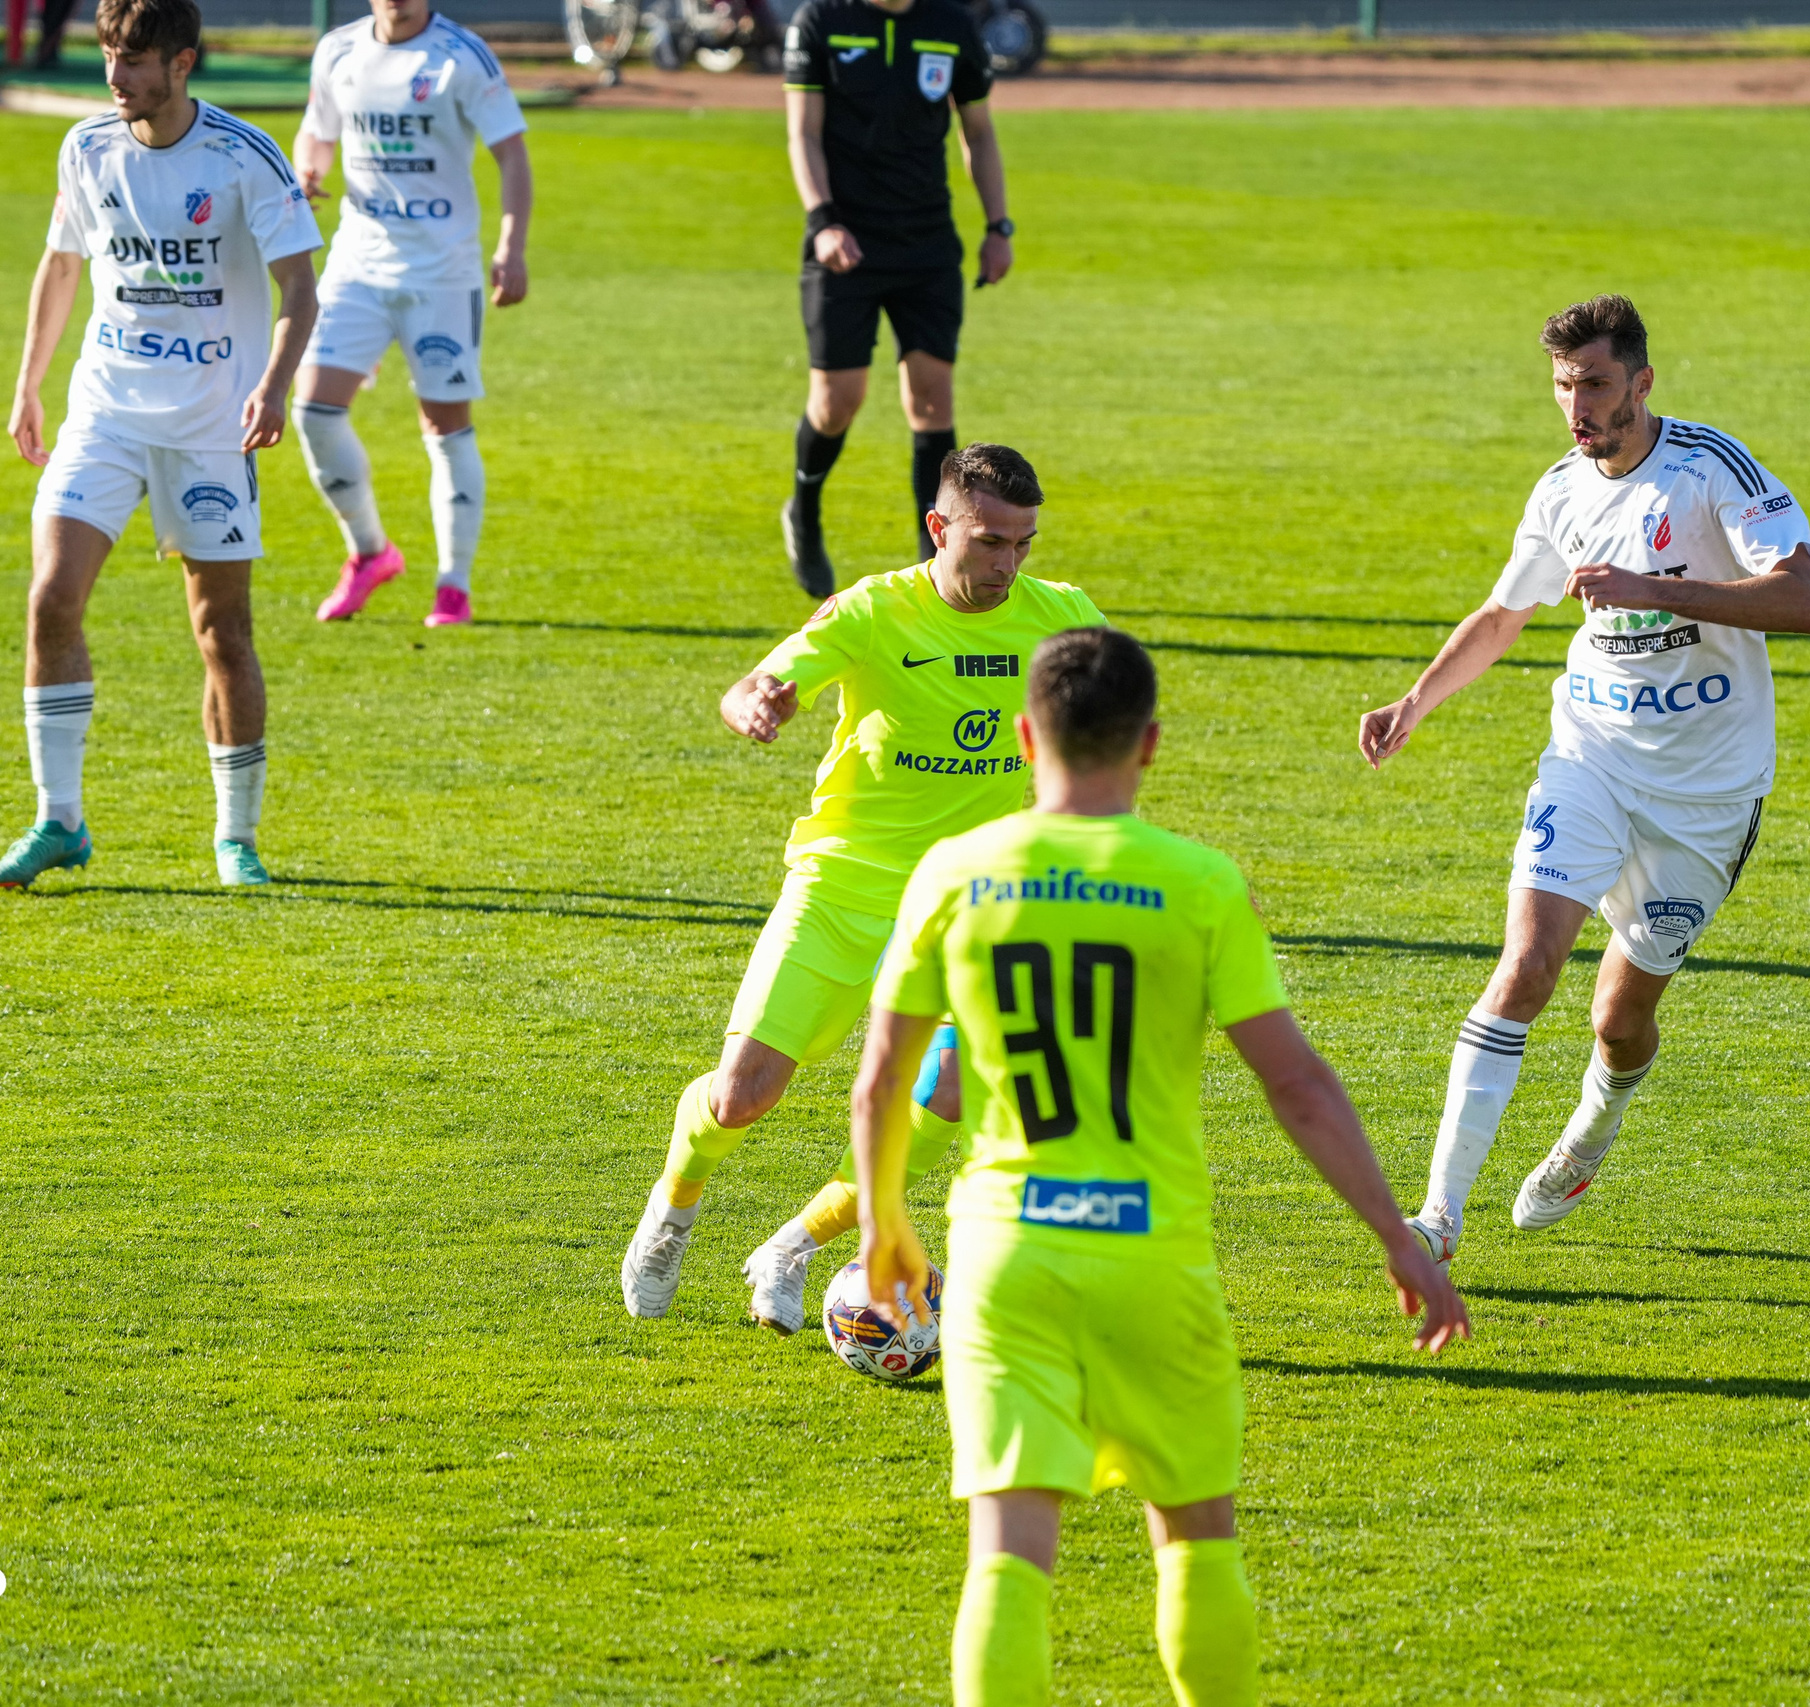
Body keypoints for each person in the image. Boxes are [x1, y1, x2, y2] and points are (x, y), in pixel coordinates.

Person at [854, 628, 1469, 1707]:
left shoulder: (954, 873)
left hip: (1008, 1254)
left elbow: (881, 1085)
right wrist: (1395, 1236)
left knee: (1006, 1553)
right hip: (1153, 1258)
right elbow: (1300, 1087)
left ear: (1019, 734)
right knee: (1194, 1539)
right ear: (1148, 746)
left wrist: (880, 1224)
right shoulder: (1196, 884)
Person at [1360, 295, 1810, 1261]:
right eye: (1564, 386)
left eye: (1597, 383)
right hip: (1591, 759)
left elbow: (1804, 599)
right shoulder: (1560, 490)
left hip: (1707, 793)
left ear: (1643, 383)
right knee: (1525, 970)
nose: (1578, 406)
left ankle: (1593, 1127)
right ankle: (1437, 1218)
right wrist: (1414, 701)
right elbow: (1503, 613)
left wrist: (1652, 587)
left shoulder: (1712, 471)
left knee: (1619, 1020)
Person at [620, 445, 1103, 1335]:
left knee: (944, 1097)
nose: (1008, 564)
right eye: (991, 540)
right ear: (939, 526)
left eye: (1024, 544)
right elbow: (760, 682)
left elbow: (1104, 732)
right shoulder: (876, 610)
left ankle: (794, 1245)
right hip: (845, 882)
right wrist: (756, 704)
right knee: (743, 1094)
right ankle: (675, 1205)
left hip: (971, 903)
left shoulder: (1062, 617)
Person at [0, 0, 323, 892]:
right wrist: (29, 380)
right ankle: (59, 819)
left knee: (222, 632)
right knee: (52, 597)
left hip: (214, 424)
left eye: (135, 62)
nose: (116, 77)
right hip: (106, 412)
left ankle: (236, 838)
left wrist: (274, 382)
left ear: (183, 64)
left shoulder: (243, 156)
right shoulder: (86, 147)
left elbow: (300, 285)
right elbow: (62, 262)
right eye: (109, 56)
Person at [290, 0, 532, 630]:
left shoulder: (462, 57)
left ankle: (454, 586)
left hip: (441, 275)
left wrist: (511, 246)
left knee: (445, 424)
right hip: (357, 265)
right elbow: (317, 131)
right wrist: (306, 169)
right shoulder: (338, 51)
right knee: (312, 411)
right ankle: (370, 552)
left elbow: (512, 154)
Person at [778, 0, 1009, 598]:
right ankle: (803, 508)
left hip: (927, 244)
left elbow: (978, 133)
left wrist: (997, 225)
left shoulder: (951, 26)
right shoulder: (820, 21)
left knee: (932, 402)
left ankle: (928, 571)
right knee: (837, 402)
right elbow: (802, 132)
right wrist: (824, 220)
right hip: (843, 243)